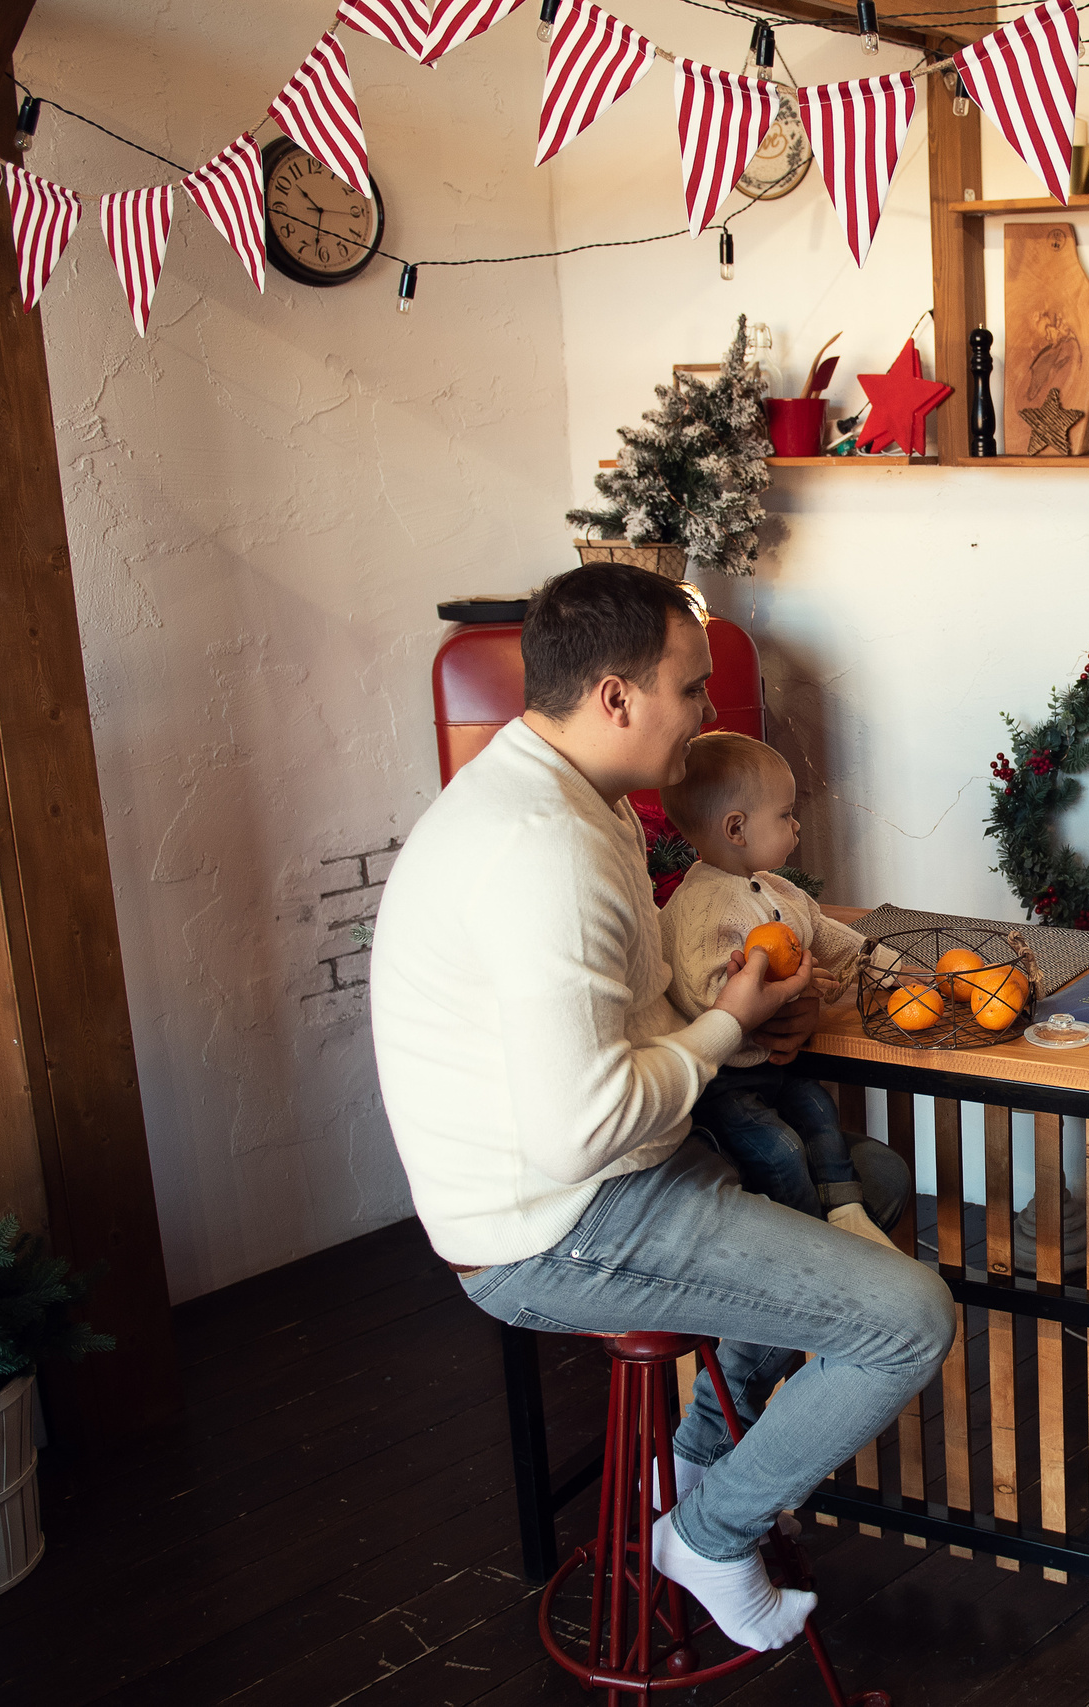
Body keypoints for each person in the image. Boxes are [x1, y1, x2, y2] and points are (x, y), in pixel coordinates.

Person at [370, 563, 954, 1651]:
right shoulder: (542, 850)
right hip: (555, 1224)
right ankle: (711, 1528)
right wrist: (729, 1024)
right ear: (615, 698)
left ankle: (689, 1456)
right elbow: (579, 1128)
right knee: (910, 1319)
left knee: (863, 1183)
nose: (707, 713)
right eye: (691, 689)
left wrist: (740, 1013)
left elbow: (619, 1021)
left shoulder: (583, 802)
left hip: (623, 1170)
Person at [659, 730, 896, 1252]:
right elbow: (707, 994)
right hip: (722, 1080)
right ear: (736, 829)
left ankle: (847, 1209)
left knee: (818, 1109)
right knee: (782, 1149)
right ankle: (808, 1244)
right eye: (786, 815)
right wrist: (796, 987)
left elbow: (834, 942)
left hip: (778, 1068)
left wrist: (894, 968)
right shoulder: (701, 907)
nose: (796, 825)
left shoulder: (780, 889)